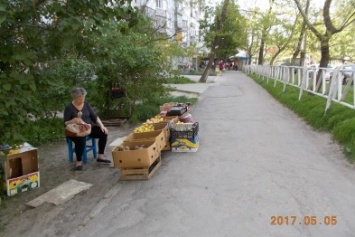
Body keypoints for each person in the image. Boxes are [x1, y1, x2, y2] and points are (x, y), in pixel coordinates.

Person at [64, 87, 111, 171]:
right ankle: (79, 162)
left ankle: (101, 156)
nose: (82, 100)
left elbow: (94, 117)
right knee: (81, 139)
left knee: (103, 132)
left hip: (88, 128)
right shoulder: (69, 107)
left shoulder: (86, 104)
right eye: (79, 99)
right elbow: (66, 123)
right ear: (74, 98)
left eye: (83, 98)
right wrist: (73, 120)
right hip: (75, 130)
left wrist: (101, 125)